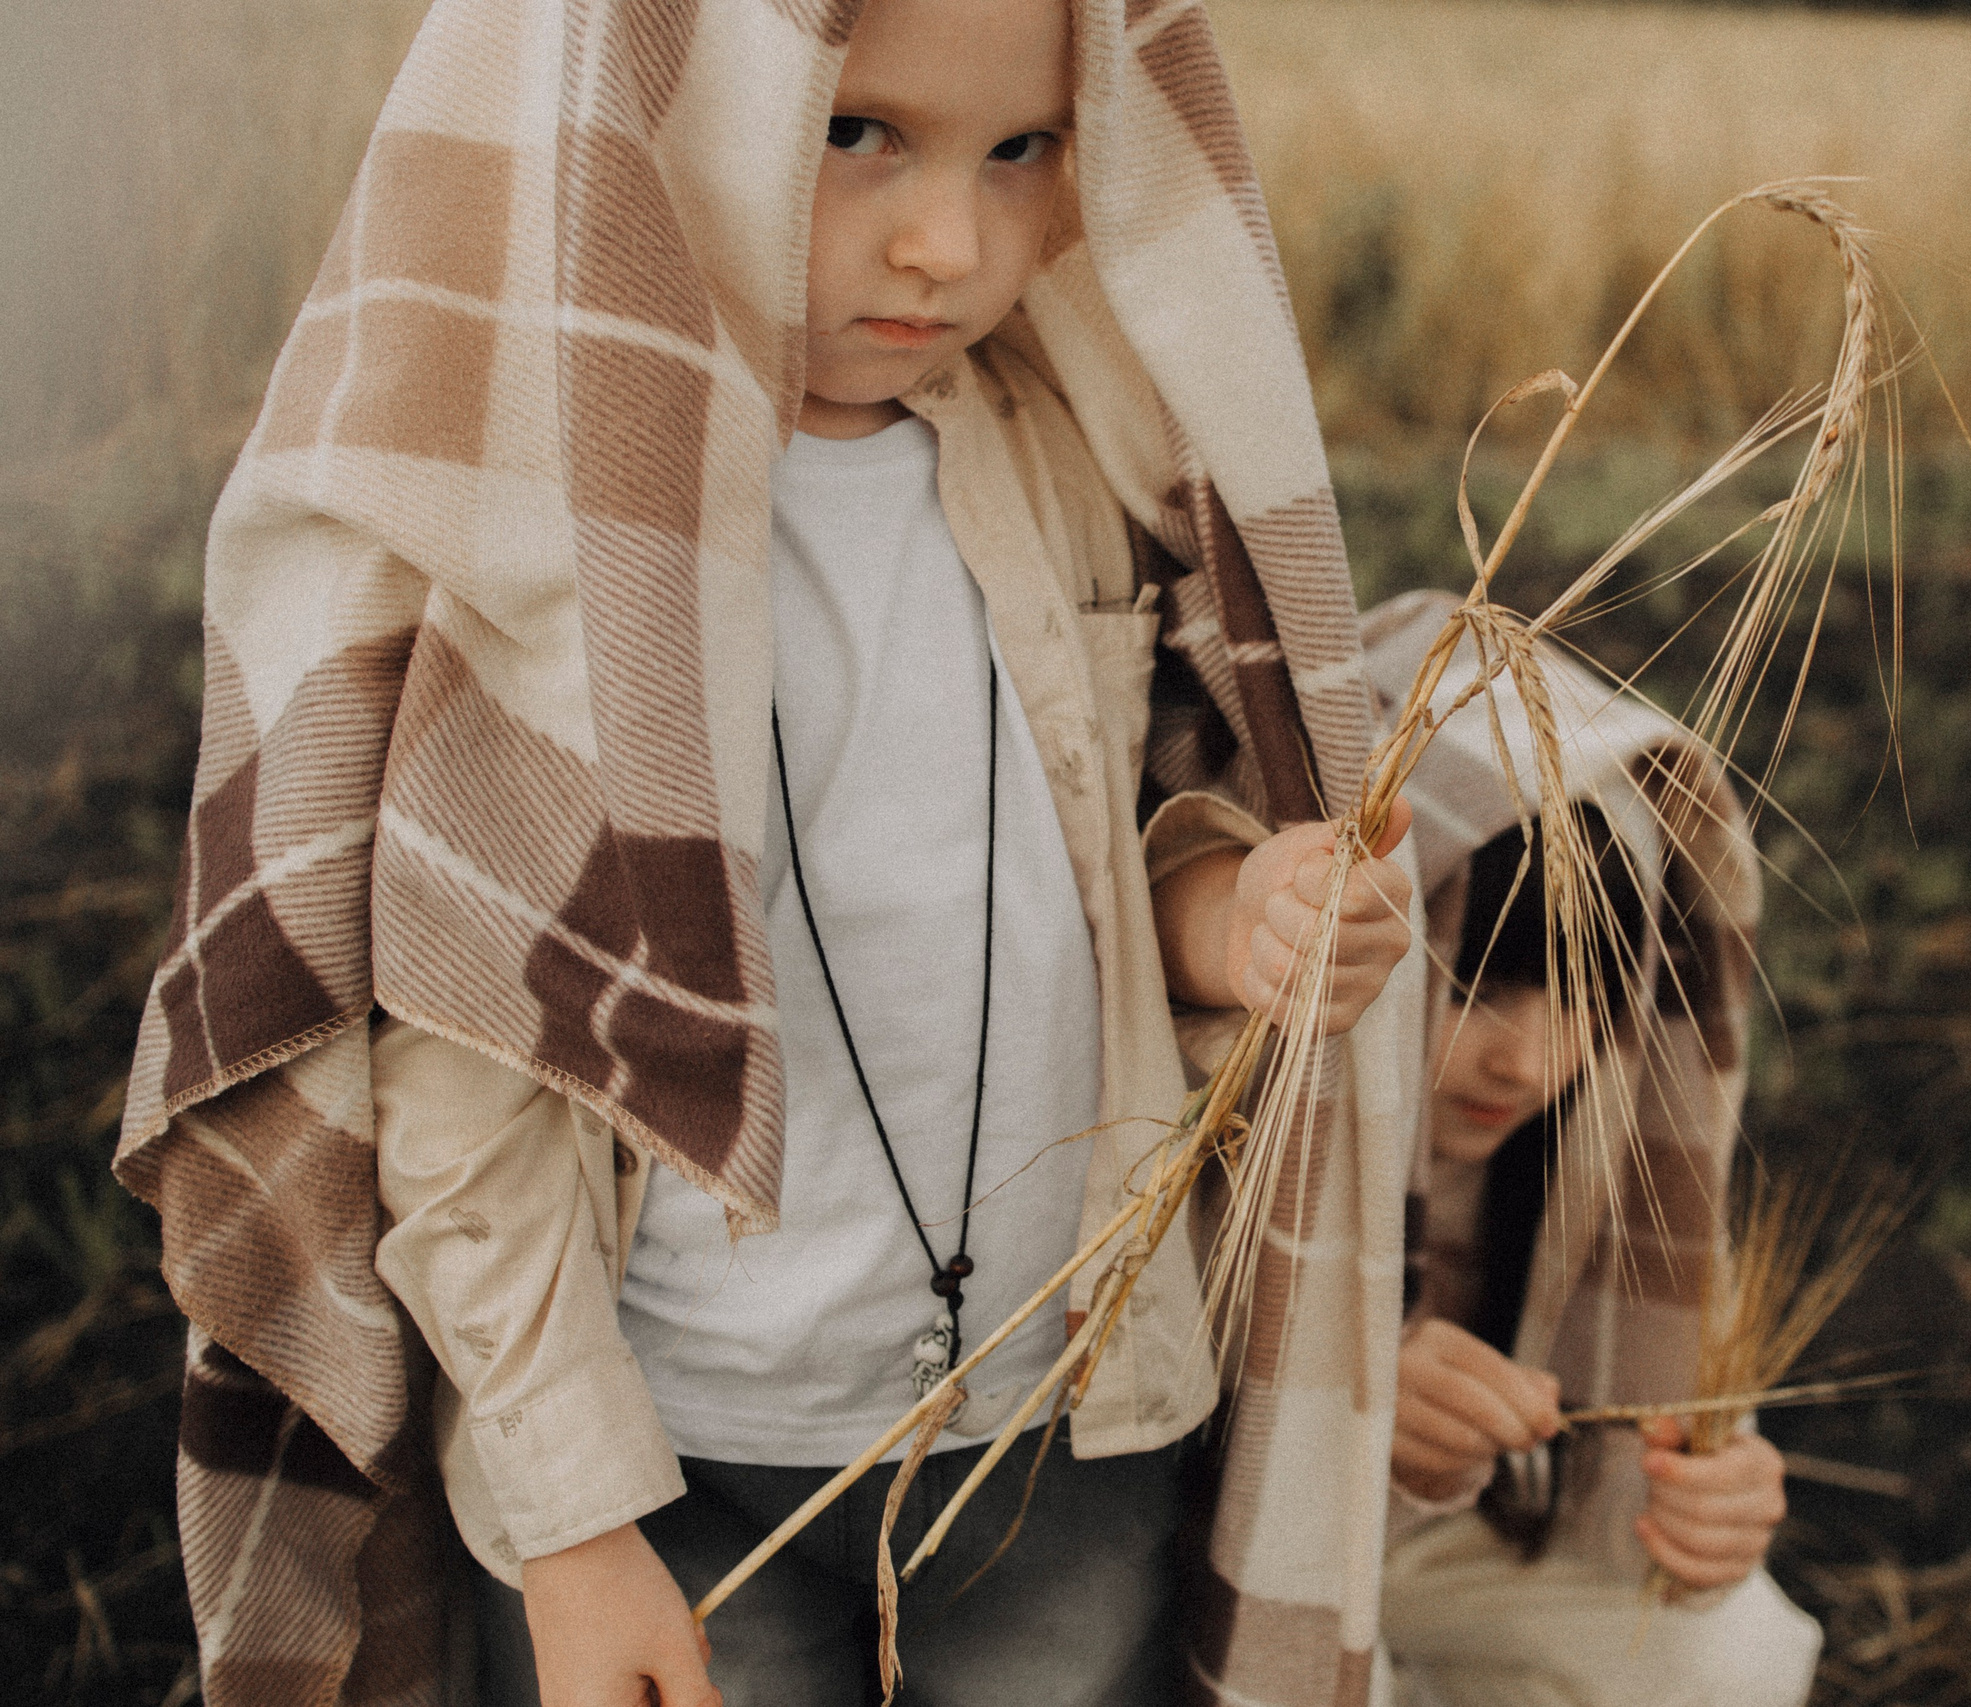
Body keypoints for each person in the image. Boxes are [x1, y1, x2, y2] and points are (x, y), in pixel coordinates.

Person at [113, 3, 1423, 1704]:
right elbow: (465, 1070)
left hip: (1056, 1421)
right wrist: (579, 1522)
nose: (946, 242)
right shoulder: (553, 533)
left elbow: (1089, 869)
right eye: (854, 131)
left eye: (1021, 150)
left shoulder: (1066, 458)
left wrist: (1230, 913)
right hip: (682, 1450)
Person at [1361, 591, 1824, 1707]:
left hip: (1462, 1540)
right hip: (1220, 1543)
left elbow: (1676, 1377)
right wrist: (1344, 1390)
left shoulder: (1608, 1145)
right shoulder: (1225, 1103)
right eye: (1474, 988)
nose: (1526, 1063)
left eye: (1579, 999)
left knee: (1731, 1655)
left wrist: (1723, 1487)